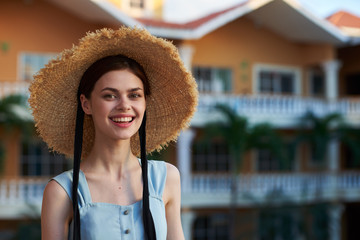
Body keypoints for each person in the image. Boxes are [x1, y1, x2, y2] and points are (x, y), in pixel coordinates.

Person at [29, 27, 198, 240]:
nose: (124, 105)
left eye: (135, 95)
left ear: (145, 102)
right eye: (110, 96)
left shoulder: (166, 178)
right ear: (86, 104)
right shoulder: (61, 191)